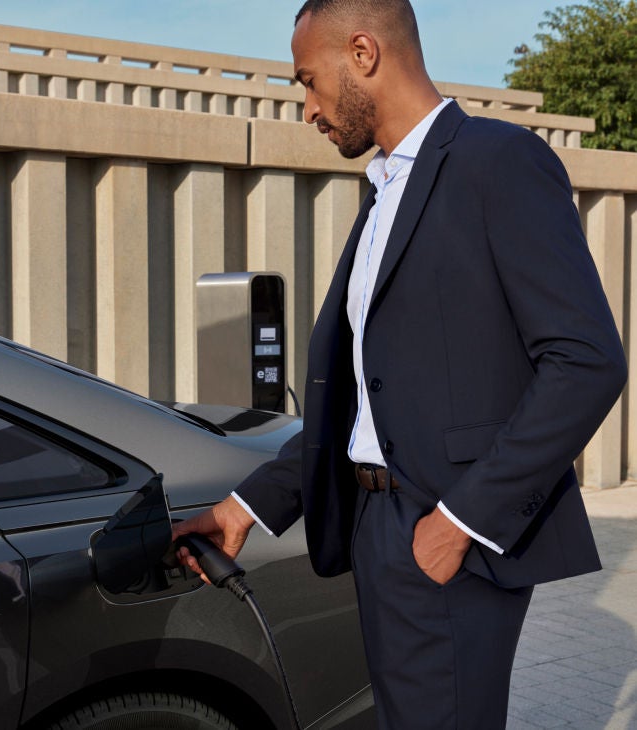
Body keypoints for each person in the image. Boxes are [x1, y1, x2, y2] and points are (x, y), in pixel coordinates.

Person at [173, 1, 628, 727]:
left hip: (449, 533)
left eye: (309, 81)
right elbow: (367, 405)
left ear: (363, 53)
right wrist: (247, 507)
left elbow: (587, 361)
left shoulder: (497, 162)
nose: (308, 109)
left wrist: (460, 521)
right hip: (377, 530)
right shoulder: (384, 190)